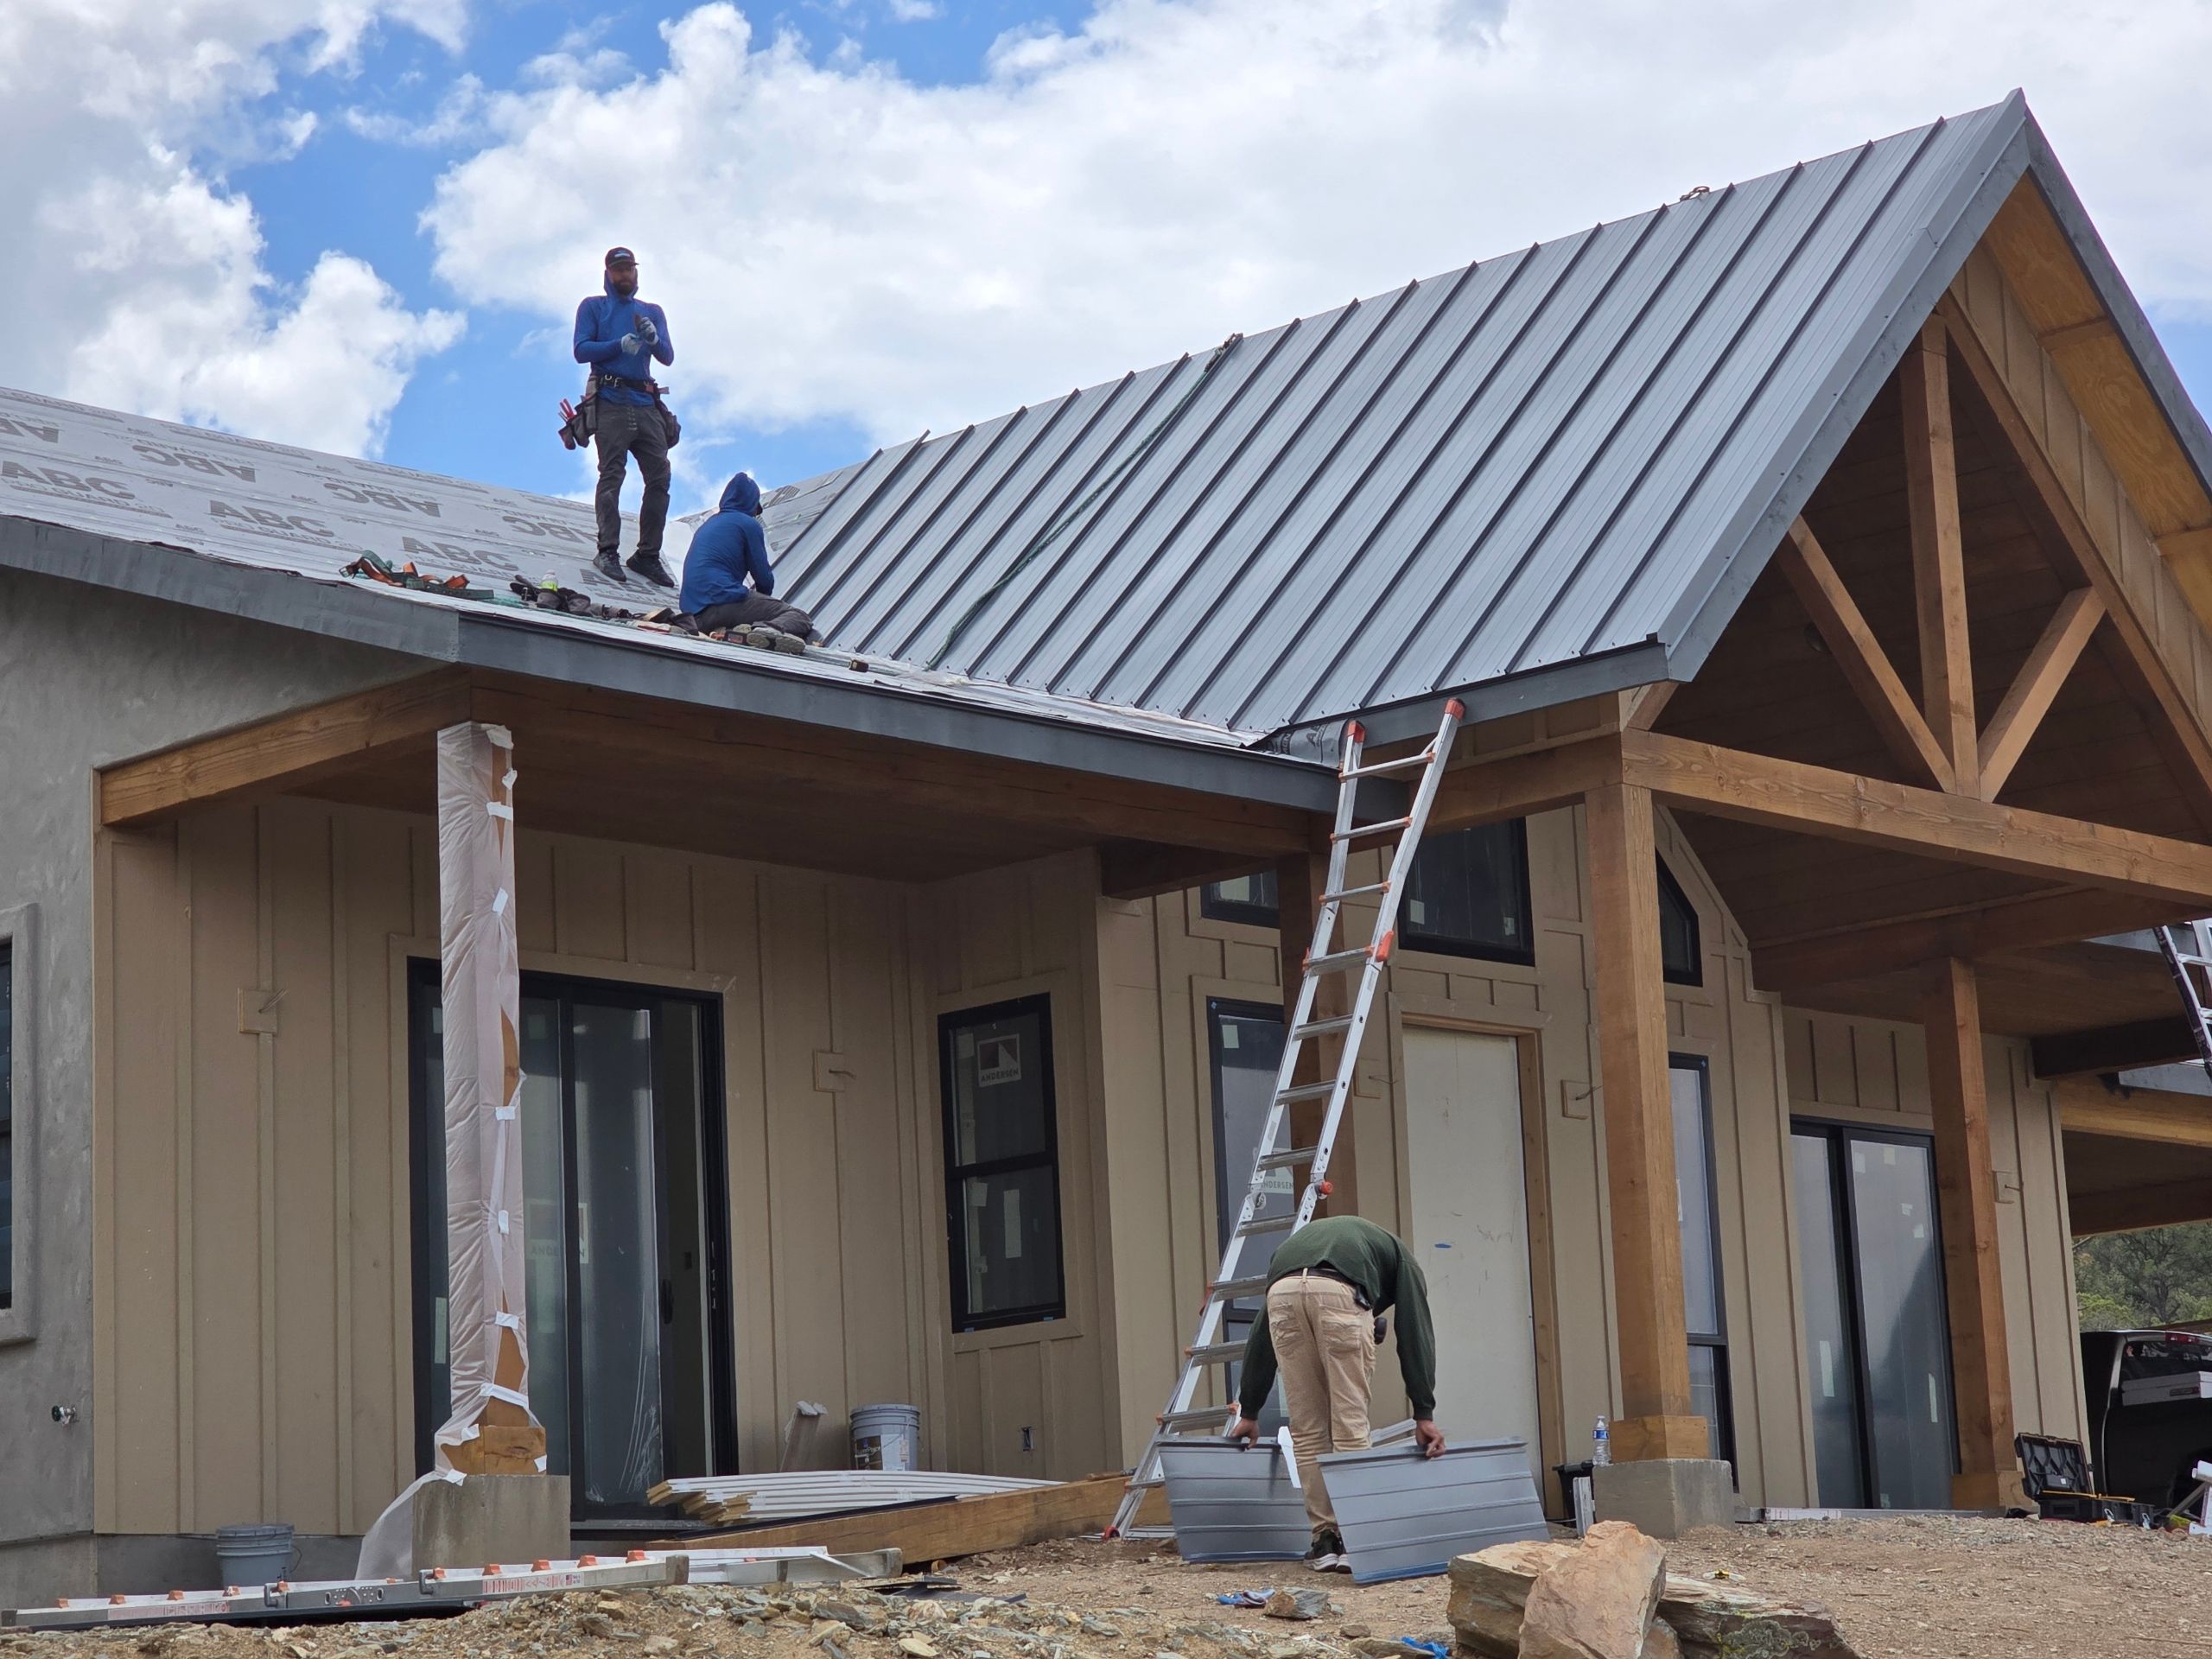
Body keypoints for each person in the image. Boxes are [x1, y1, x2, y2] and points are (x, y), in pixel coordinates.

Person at [1227, 1214, 1445, 1572]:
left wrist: (1249, 1410)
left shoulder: (1301, 1248)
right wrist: (1424, 1412)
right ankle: (1356, 1539)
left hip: (1282, 1294)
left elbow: (1261, 1335)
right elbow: (1414, 1334)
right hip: (1340, 1291)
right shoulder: (1403, 1260)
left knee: (1308, 1429)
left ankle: (1324, 1542)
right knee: (1349, 1423)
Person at [574, 245, 676, 588]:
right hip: (611, 400)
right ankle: (607, 550)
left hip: (645, 401)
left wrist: (653, 338)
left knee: (660, 477)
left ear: (636, 271)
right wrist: (618, 345)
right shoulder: (594, 307)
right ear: (608, 273)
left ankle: (648, 555)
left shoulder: (651, 311)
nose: (625, 275)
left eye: (629, 268)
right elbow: (581, 349)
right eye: (618, 269)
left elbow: (667, 356)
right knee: (612, 474)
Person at [676, 472, 817, 652]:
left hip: (695, 617)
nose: (755, 514)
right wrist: (764, 601)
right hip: (723, 599)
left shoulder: (709, 524)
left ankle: (737, 632)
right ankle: (763, 631)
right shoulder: (747, 523)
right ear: (750, 503)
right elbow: (764, 578)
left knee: (741, 609)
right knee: (797, 617)